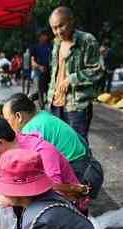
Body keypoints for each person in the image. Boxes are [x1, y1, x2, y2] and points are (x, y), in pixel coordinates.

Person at [0, 115, 86, 229]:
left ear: (0, 143)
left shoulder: (42, 151)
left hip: (61, 211)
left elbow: (52, 193)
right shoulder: (5, 156)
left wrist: (12, 198)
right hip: (33, 209)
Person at [48, 7, 103, 141]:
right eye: (54, 28)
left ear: (71, 21)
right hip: (55, 104)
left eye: (61, 25)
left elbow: (98, 70)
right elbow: (56, 71)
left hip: (76, 106)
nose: (58, 31)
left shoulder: (86, 40)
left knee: (78, 147)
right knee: (60, 146)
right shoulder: (57, 43)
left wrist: (70, 79)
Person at [31, 30, 53, 109]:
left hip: (49, 71)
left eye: (45, 35)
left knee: (49, 89)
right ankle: (42, 108)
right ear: (40, 37)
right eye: (43, 35)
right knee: (40, 91)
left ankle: (50, 106)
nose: (45, 37)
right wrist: (39, 67)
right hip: (39, 72)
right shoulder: (35, 47)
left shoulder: (50, 46)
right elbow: (32, 62)